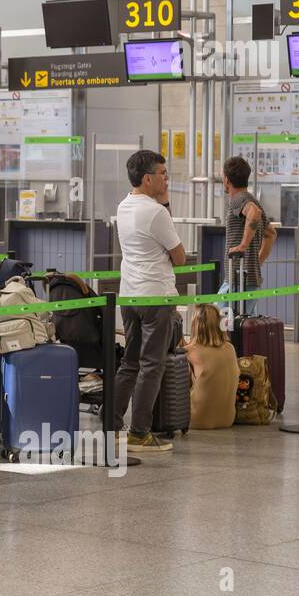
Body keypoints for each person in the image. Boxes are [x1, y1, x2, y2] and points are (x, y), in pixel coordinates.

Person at [114, 150, 185, 454]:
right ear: (147, 178)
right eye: (163, 173)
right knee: (151, 365)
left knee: (130, 363)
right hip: (156, 296)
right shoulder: (156, 213)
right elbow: (179, 257)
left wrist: (165, 197)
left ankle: (112, 423)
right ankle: (140, 433)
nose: (166, 178)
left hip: (129, 294)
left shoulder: (124, 206)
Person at [220, 156, 276, 315]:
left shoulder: (238, 199)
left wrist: (242, 246)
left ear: (226, 179)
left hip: (237, 279)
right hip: (249, 278)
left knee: (216, 328)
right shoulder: (252, 199)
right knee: (240, 329)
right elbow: (271, 233)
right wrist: (257, 262)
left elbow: (254, 213)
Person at [185, 303, 238, 429]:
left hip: (196, 421)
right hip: (228, 419)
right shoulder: (230, 348)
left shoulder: (191, 351)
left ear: (196, 325)